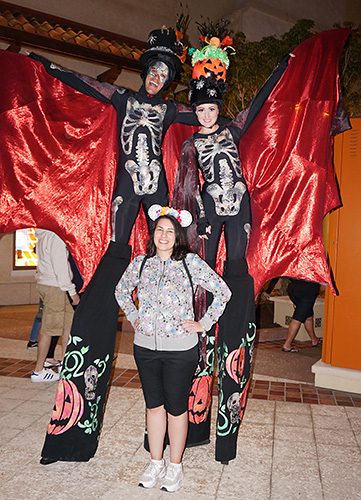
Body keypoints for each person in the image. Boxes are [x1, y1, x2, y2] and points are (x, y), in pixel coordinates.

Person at [115, 205, 231, 492]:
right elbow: (120, 291)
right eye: (159, 230)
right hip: (144, 348)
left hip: (181, 350)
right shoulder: (141, 263)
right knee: (154, 406)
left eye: (169, 231)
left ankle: (175, 466)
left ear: (178, 235)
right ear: (152, 234)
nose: (163, 235)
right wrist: (134, 316)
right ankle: (156, 462)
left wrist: (203, 323)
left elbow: (223, 292)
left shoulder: (190, 262)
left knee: (176, 409)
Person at [31, 229, 80, 382]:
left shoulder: (43, 235)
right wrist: (72, 292)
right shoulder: (55, 237)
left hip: (50, 284)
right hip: (55, 287)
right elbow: (61, 269)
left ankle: (65, 365)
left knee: (68, 322)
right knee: (49, 329)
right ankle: (38, 371)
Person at [282, 278, 321, 353]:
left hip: (294, 289)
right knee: (297, 319)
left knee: (308, 316)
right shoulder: (316, 265)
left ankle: (314, 339)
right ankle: (287, 345)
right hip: (307, 292)